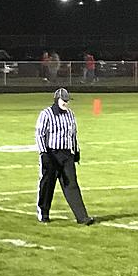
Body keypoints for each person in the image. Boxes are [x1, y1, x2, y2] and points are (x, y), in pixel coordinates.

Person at [35, 88, 95, 225]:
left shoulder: (70, 114)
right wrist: (44, 153)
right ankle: (43, 213)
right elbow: (40, 134)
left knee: (71, 184)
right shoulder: (46, 114)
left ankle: (82, 217)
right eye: (64, 100)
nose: (66, 103)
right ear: (57, 100)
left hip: (66, 154)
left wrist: (76, 150)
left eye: (67, 101)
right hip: (51, 153)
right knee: (47, 184)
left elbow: (73, 134)